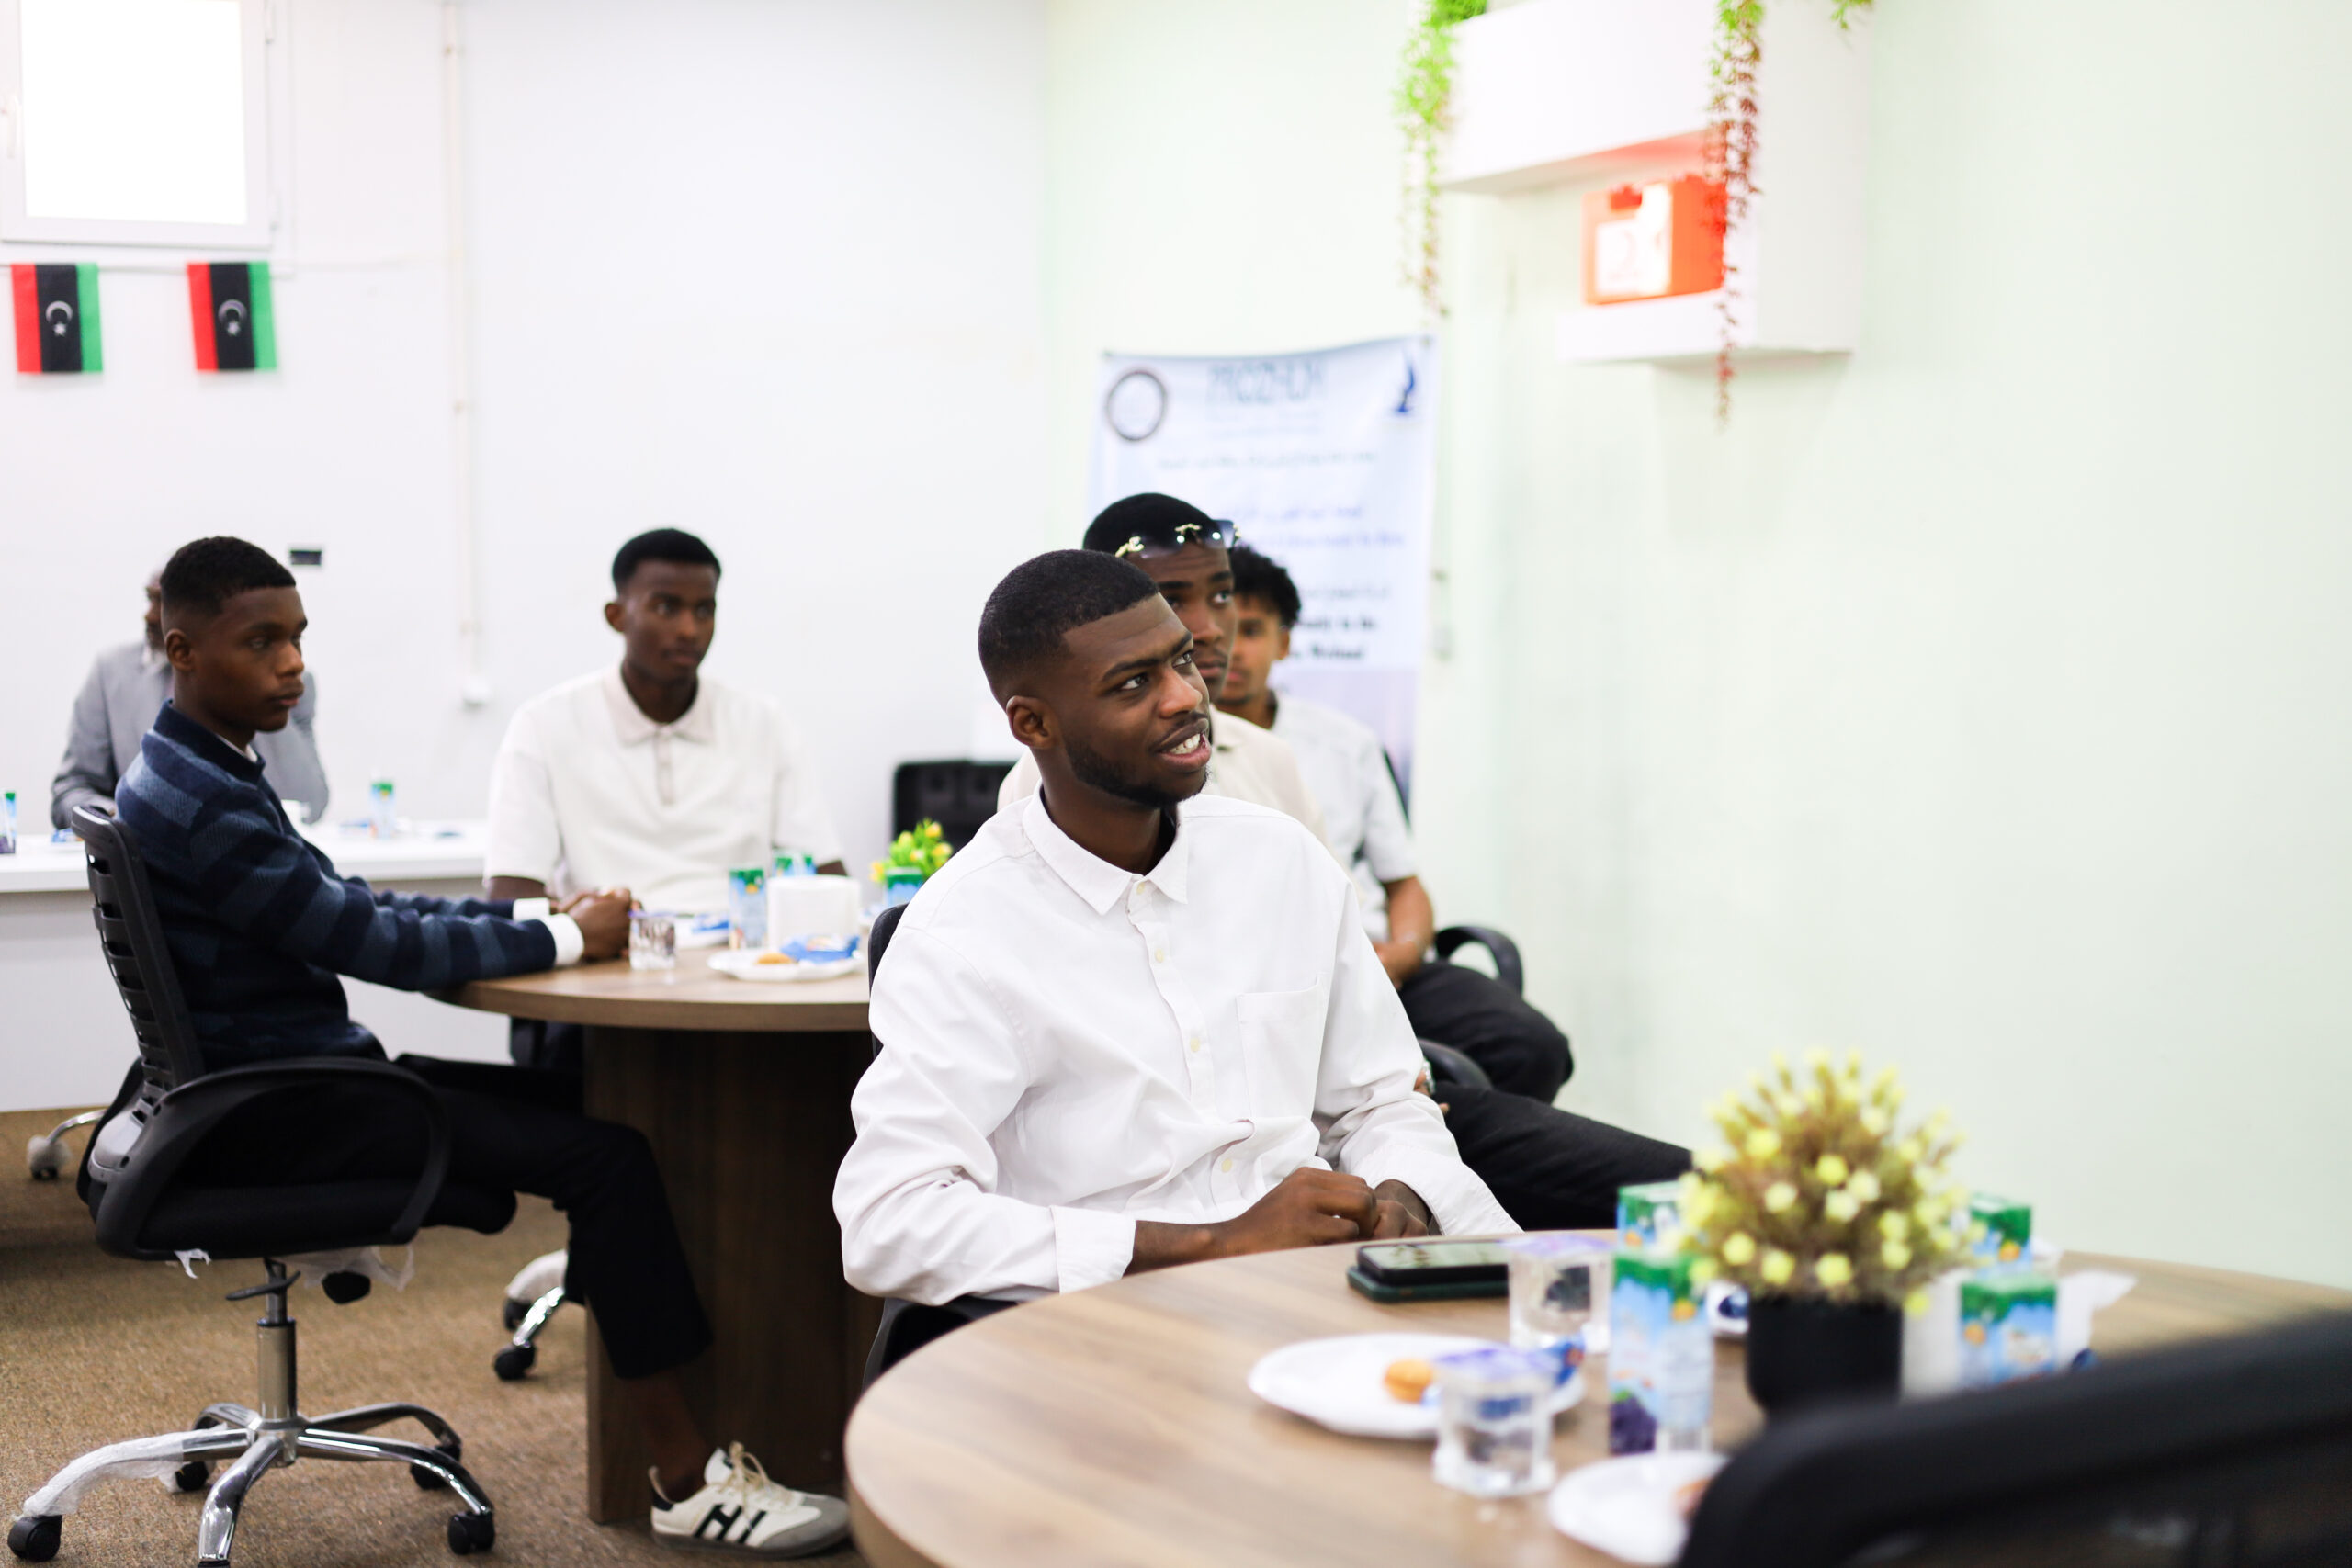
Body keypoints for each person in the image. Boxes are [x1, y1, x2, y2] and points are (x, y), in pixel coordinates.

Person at [107, 536, 848, 1558]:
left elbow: (347, 902)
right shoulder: (205, 801)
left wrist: (546, 923)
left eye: (298, 638)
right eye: (262, 642)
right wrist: (564, 937)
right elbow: (370, 942)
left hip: (276, 1090)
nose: (293, 664)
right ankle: (684, 1478)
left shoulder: (196, 770)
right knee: (612, 1156)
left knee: (606, 1123)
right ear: (182, 649)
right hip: (284, 1114)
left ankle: (693, 1427)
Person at [835, 551, 1516, 1309]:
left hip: (1322, 1286)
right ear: (1033, 722)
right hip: (1106, 1320)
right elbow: (889, 1221)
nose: (1187, 696)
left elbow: (1380, 1099)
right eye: (1134, 683)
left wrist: (1401, 1190)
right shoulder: (962, 931)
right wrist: (1213, 1244)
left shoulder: (1280, 860)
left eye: (1183, 660)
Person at [1219, 543, 1573, 1104]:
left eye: (1253, 630)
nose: (1232, 648)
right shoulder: (1175, 751)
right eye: (1220, 630)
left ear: (1284, 642)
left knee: (1531, 1046)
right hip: (1265, 990)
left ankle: (1442, 1146)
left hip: (1377, 964)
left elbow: (1403, 883)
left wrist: (1404, 952)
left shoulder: (1345, 743)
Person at [485, 527, 843, 1068]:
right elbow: (510, 896)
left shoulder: (762, 724)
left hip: (745, 980)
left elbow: (825, 878)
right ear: (616, 616)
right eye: (665, 607)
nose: (689, 629)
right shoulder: (546, 725)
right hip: (604, 982)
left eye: (705, 610)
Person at [997, 494, 1327, 846]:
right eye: (1170, 601)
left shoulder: (1270, 758)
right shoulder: (1042, 782)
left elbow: (1321, 880)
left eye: (1222, 595)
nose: (1210, 629)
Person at [52, 566, 328, 829]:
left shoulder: (293, 682)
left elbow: (310, 804)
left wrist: (261, 688)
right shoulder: (112, 672)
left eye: (165, 603)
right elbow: (71, 789)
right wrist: (124, 819)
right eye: (150, 599)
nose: (150, 616)